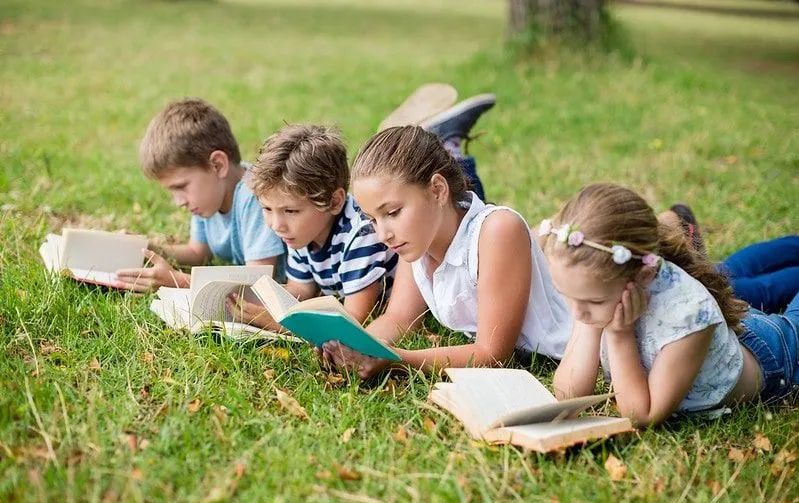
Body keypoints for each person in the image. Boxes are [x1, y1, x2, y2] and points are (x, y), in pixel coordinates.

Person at [320, 125, 572, 379]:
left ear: (438, 190)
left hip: (571, 350)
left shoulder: (497, 230)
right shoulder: (416, 242)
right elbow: (398, 318)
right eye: (372, 219)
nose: (383, 234)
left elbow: (493, 354)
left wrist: (396, 359)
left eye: (393, 212)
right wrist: (356, 348)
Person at [541, 183, 798, 426]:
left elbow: (641, 414)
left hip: (776, 354)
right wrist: (590, 325)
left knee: (766, 291)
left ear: (642, 275)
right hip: (725, 340)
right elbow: (568, 395)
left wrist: (620, 336)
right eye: (568, 295)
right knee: (734, 275)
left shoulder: (688, 313)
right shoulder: (591, 292)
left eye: (593, 301)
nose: (577, 312)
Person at [226, 124, 398, 328]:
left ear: (334, 202)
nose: (276, 225)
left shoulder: (361, 233)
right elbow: (301, 289)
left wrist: (277, 322)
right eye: (267, 209)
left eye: (290, 211)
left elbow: (353, 319)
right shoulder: (301, 233)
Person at [115, 98, 285, 291]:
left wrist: (178, 281)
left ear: (218, 165)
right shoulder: (210, 198)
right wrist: (147, 248)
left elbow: (257, 283)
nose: (179, 202)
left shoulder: (256, 195)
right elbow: (198, 252)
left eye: (181, 187)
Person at [660, 206, 799, 313]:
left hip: (714, 274)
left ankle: (690, 264)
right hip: (698, 294)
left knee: (753, 259)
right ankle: (687, 262)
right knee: (765, 287)